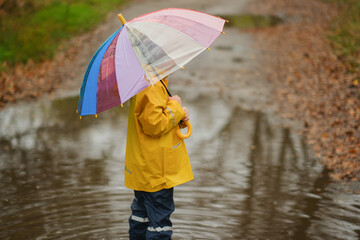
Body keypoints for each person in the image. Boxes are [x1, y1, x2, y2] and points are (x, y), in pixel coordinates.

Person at [125, 76, 193, 240]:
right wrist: (175, 105)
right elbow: (154, 125)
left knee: (141, 215)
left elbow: (153, 118)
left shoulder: (141, 81)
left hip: (144, 167)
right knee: (159, 225)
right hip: (157, 169)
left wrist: (180, 115)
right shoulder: (152, 85)